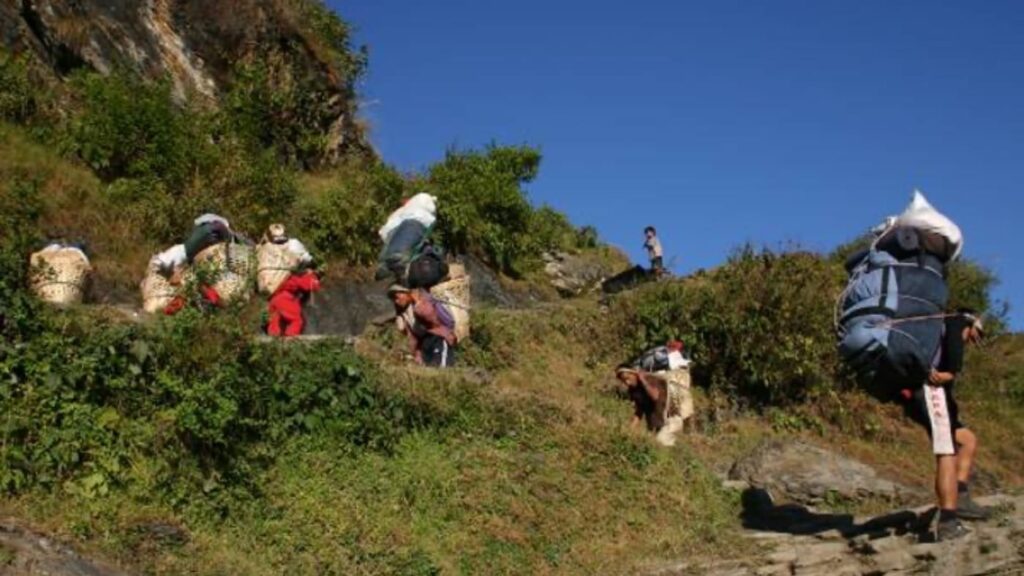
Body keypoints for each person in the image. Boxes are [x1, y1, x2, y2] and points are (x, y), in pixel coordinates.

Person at [901, 311, 989, 541]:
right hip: (928, 391)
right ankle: (949, 521)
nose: (974, 339)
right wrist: (951, 372)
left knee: (967, 440)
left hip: (924, 393)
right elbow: (952, 361)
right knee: (947, 451)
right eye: (977, 333)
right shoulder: (956, 323)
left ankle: (960, 495)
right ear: (973, 323)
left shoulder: (937, 325)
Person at [261, 224, 320, 337]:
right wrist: (314, 277)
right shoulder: (294, 277)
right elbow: (310, 285)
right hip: (286, 299)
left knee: (274, 325)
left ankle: (271, 346)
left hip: (272, 299)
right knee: (297, 321)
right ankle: (290, 345)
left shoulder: (273, 267)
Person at [388, 284, 457, 367]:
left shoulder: (424, 300)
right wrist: (416, 354)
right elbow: (412, 336)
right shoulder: (405, 314)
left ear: (407, 293)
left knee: (442, 369)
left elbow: (433, 319)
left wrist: (418, 303)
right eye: (394, 299)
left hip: (438, 338)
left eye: (397, 297)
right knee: (429, 370)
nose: (396, 301)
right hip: (425, 344)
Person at [615, 366, 687, 446]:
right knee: (655, 446)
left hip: (670, 420)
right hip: (655, 425)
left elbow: (655, 396)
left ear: (634, 374)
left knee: (661, 442)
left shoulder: (650, 380)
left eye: (628, 378)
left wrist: (642, 379)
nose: (627, 382)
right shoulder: (633, 390)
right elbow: (639, 410)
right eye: (624, 380)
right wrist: (629, 430)